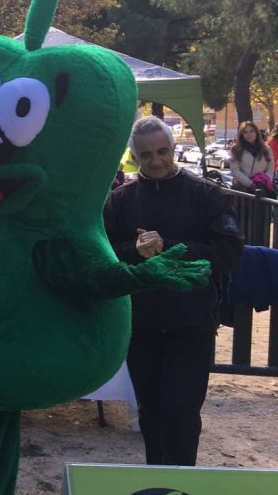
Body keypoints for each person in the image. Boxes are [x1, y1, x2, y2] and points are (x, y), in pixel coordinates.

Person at [104, 116, 244, 466]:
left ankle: (180, 482)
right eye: (147, 154)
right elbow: (102, 254)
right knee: (150, 414)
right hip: (142, 324)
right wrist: (134, 251)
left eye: (163, 151)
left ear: (173, 149)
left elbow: (229, 252)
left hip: (191, 324)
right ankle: (158, 483)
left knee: (181, 415)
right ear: (136, 157)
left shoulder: (207, 194)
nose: (156, 160)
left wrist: (170, 246)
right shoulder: (120, 201)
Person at [229, 120, 274, 192]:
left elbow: (270, 168)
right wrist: (250, 184)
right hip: (243, 189)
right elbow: (235, 170)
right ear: (241, 134)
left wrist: (265, 181)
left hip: (263, 187)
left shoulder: (266, 149)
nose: (248, 134)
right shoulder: (235, 149)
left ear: (256, 133)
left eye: (251, 131)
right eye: (245, 132)